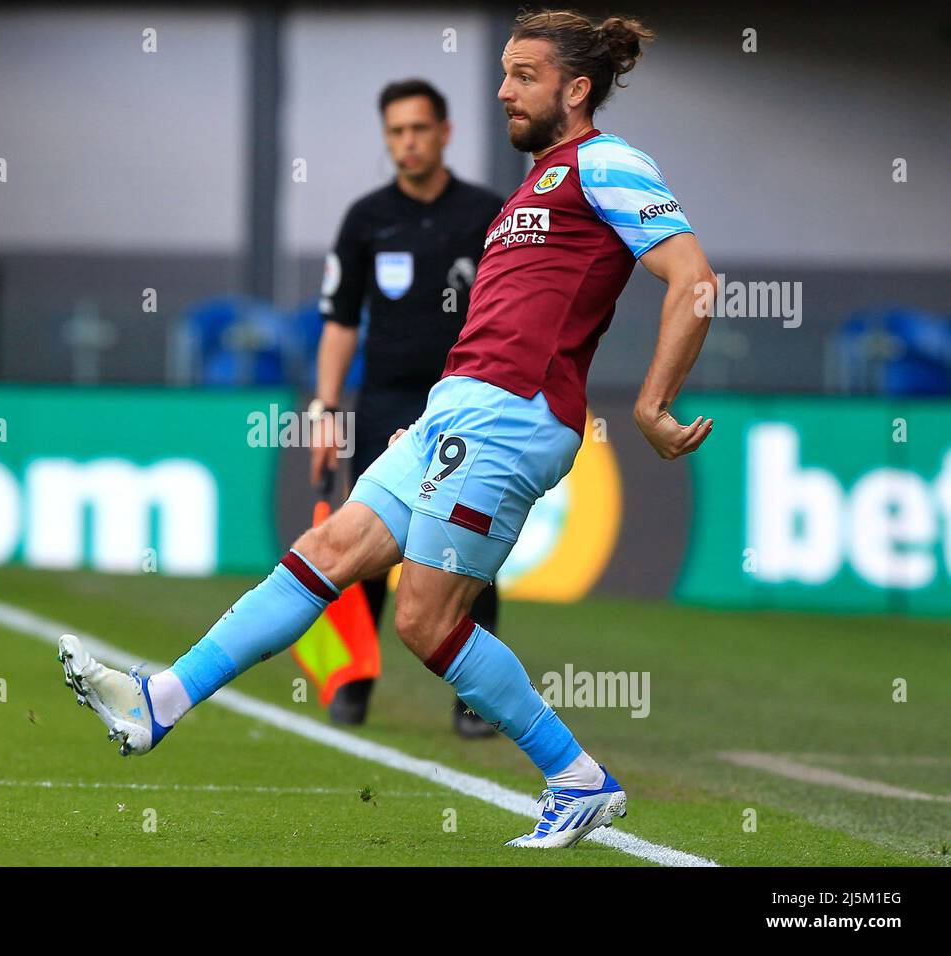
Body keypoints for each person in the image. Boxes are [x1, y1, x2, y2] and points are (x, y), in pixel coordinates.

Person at [59, 8, 716, 849]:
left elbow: (692, 277)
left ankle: (576, 778)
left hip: (512, 414)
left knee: (423, 620)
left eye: (525, 75)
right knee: (325, 554)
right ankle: (162, 702)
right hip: (453, 410)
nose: (505, 89)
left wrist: (655, 403)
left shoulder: (607, 162)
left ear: (576, 89)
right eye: (506, 71)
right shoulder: (535, 182)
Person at [310, 77, 503, 735]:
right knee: (366, 541)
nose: (408, 142)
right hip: (385, 400)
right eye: (396, 131)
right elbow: (339, 321)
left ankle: (473, 697)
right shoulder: (366, 219)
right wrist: (325, 407)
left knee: (465, 541)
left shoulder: (486, 215)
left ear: (444, 133)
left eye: (420, 129)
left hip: (464, 403)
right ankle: (355, 680)